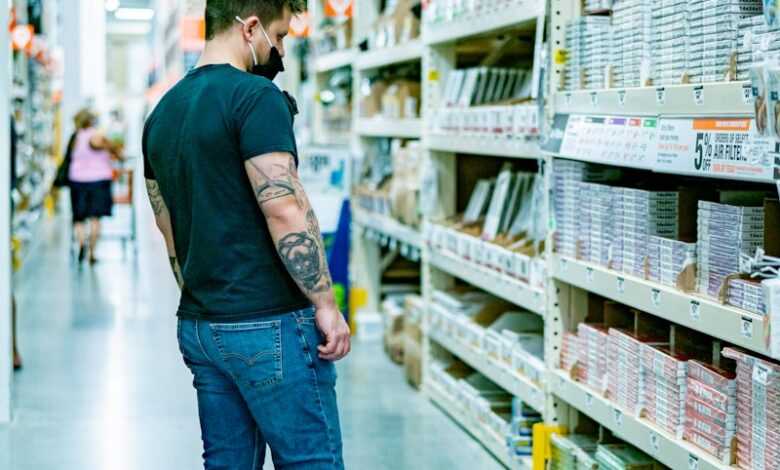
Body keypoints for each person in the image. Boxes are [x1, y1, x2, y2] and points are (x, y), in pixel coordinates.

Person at [142, 1, 351, 469]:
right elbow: (284, 209)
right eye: (279, 37)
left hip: (200, 324)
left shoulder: (162, 114)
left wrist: (207, 300)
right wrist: (326, 304)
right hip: (269, 321)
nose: (280, 50)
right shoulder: (256, 98)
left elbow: (168, 229)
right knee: (311, 461)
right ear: (250, 27)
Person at [68, 109, 118, 264]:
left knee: (79, 217)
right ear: (91, 121)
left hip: (77, 179)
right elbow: (115, 150)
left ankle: (82, 242)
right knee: (95, 218)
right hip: (99, 180)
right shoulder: (97, 136)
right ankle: (92, 253)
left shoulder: (74, 138)